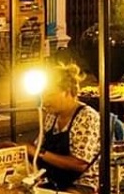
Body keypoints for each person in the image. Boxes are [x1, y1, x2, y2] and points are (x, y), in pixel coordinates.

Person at [24, 63, 102, 193]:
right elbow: (37, 148)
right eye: (42, 96)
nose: (44, 101)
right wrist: (18, 150)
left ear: (67, 92)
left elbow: (79, 164)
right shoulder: (51, 116)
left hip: (81, 185)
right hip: (51, 180)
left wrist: (40, 153)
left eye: (49, 95)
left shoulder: (86, 117)